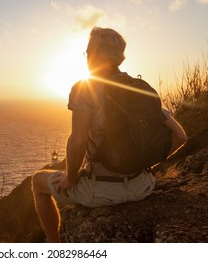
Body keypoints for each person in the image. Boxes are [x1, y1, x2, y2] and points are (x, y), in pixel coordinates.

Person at [31, 27, 187, 243]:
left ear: (94, 53)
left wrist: (71, 178)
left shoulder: (85, 87)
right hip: (143, 186)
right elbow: (180, 136)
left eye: (87, 52)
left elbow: (78, 142)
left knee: (38, 181)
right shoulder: (140, 88)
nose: (87, 57)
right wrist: (144, 165)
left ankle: (54, 246)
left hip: (102, 191)